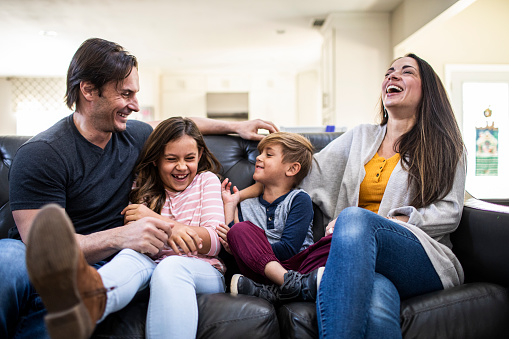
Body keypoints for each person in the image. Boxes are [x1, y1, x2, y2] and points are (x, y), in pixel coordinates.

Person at [0, 37, 277, 339]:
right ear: (89, 90)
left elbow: (177, 126)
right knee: (7, 260)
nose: (134, 105)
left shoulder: (133, 135)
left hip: (113, 261)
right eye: (125, 94)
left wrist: (235, 126)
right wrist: (121, 236)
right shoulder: (42, 153)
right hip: (47, 254)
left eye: (135, 94)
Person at [303, 54, 466, 338]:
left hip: (421, 256)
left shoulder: (447, 145)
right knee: (376, 300)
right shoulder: (360, 136)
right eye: (389, 72)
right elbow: (307, 172)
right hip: (364, 259)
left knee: (354, 218)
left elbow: (450, 211)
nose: (392, 76)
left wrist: (400, 219)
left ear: (428, 89)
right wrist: (270, 154)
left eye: (406, 72)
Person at [27, 116, 226, 338]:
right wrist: (162, 233)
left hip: (201, 269)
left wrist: (156, 220)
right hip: (151, 264)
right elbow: (140, 242)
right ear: (156, 160)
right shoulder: (142, 187)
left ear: (199, 155)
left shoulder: (206, 181)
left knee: (171, 268)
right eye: (171, 159)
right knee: (127, 260)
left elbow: (213, 242)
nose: (181, 167)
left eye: (189, 158)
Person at [216, 132, 324, 304]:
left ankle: (276, 290)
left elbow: (289, 248)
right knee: (239, 230)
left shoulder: (299, 199)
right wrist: (230, 204)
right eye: (260, 153)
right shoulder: (246, 206)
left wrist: (243, 249)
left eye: (269, 154)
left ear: (292, 169)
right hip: (259, 271)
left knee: (338, 241)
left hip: (298, 266)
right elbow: (232, 239)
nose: (258, 158)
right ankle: (293, 287)